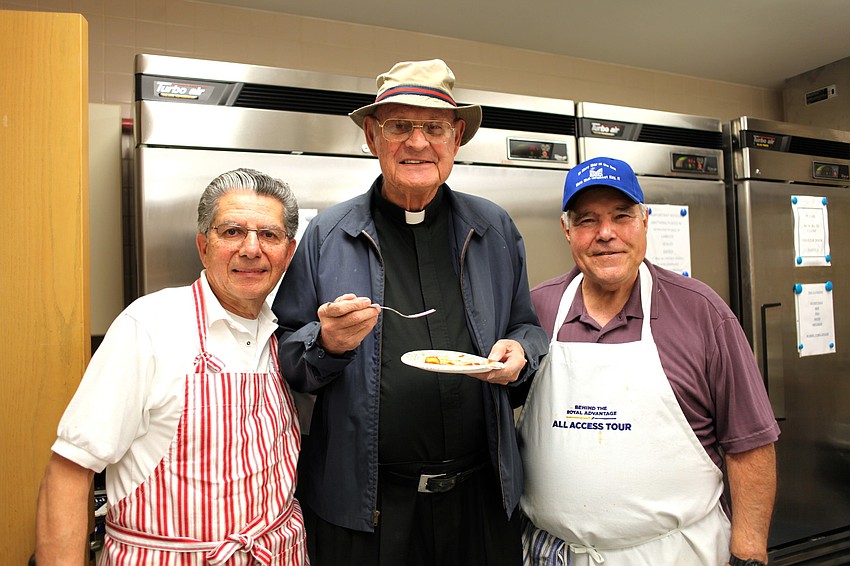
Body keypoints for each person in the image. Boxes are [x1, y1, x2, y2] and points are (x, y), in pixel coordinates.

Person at [273, 59, 548, 566]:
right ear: (372, 136)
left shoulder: (494, 229)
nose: (417, 142)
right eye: (399, 125)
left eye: (434, 128)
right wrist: (326, 343)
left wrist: (521, 352)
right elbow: (286, 353)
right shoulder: (328, 235)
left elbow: (525, 327)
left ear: (456, 137)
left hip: (481, 504)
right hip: (367, 511)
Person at [36, 168, 309, 565]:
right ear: (203, 245)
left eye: (269, 235)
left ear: (288, 252)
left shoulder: (282, 334)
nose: (251, 249)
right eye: (232, 231)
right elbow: (70, 470)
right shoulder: (149, 325)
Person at [516, 156, 780, 566]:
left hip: (676, 553)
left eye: (622, 216)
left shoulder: (701, 312)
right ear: (567, 230)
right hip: (555, 554)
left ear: (645, 221)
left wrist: (748, 554)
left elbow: (750, 443)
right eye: (587, 220)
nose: (606, 234)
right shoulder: (537, 309)